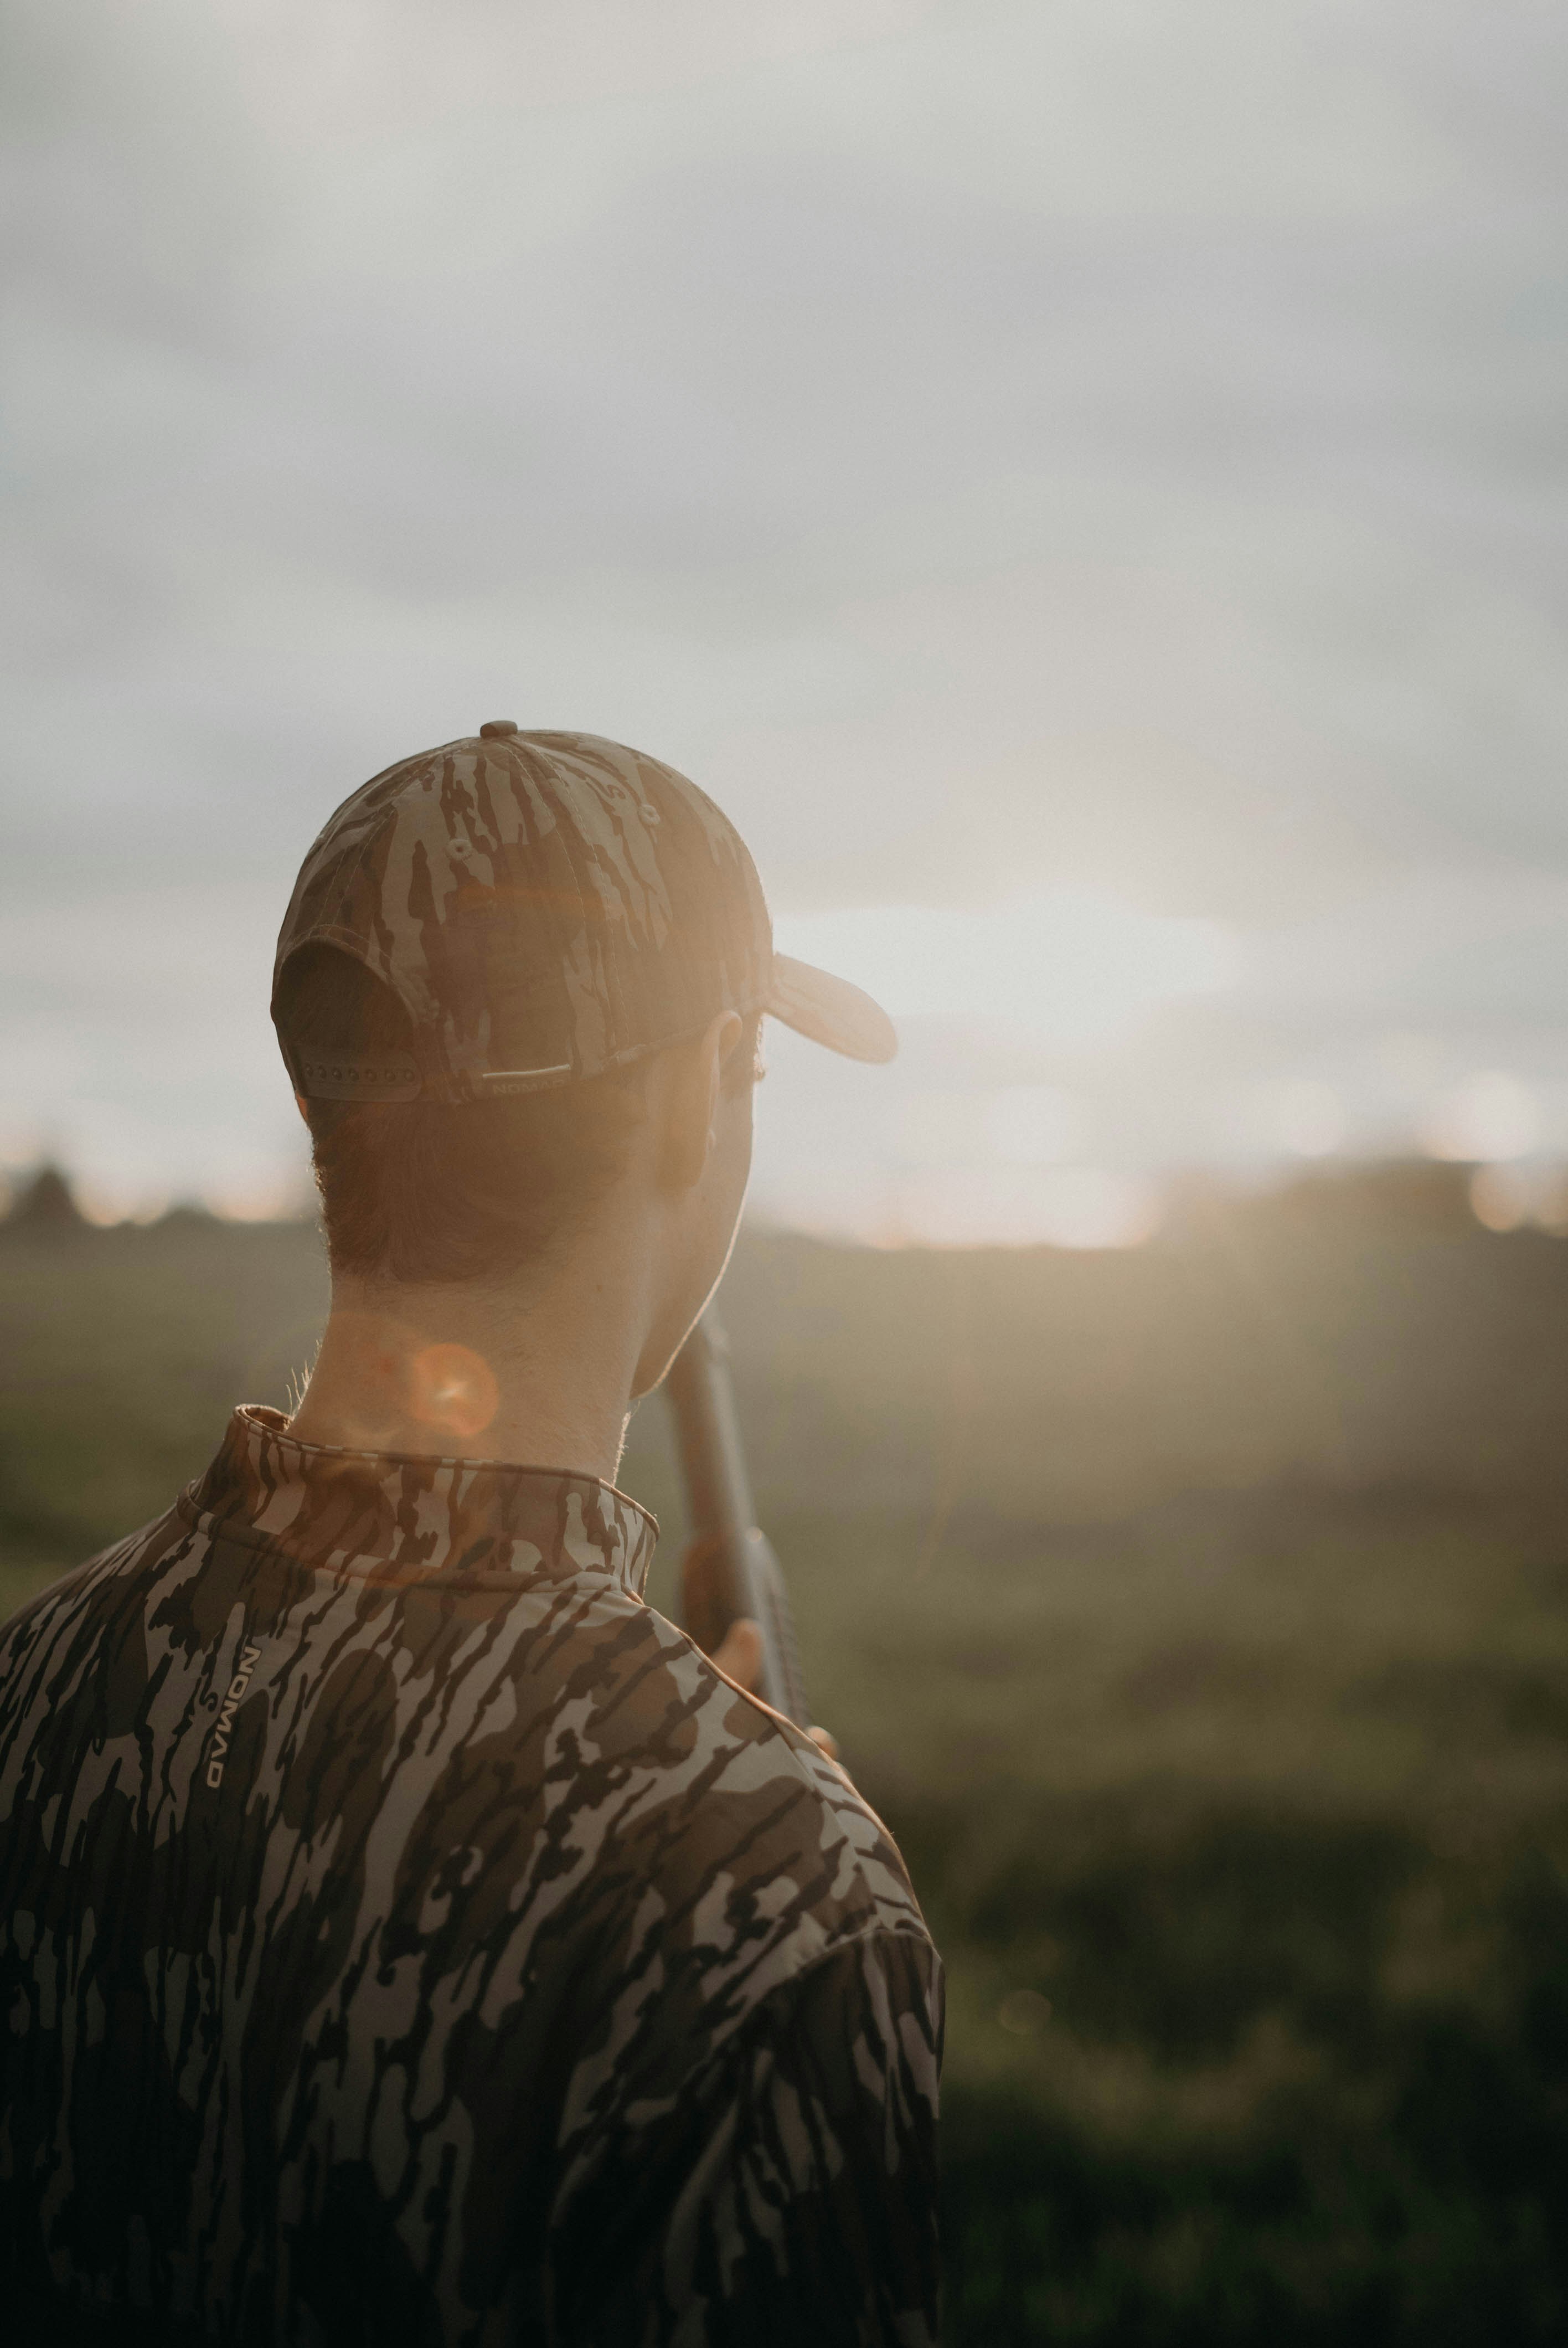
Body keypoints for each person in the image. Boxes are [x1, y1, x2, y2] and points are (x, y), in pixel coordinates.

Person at [0, 724, 942, 2346]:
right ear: (676, 1100)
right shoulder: (784, 1913)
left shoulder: (31, 1683)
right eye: (753, 1075)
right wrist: (757, 1829)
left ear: (327, 1099)